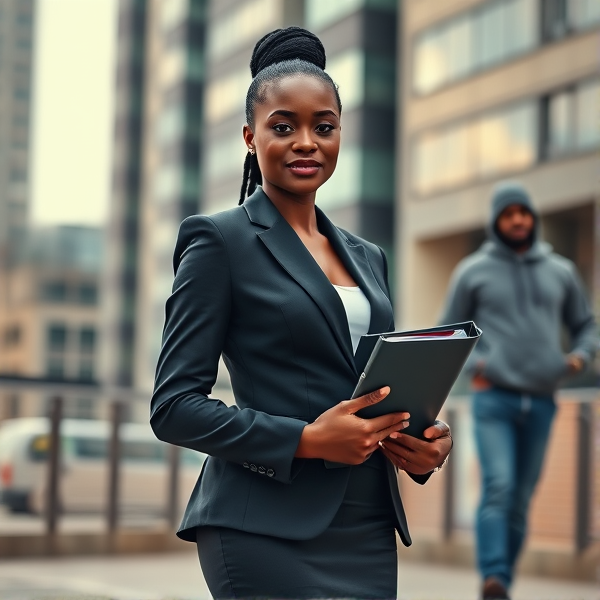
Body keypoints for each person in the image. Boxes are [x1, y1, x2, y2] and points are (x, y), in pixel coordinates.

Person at [151, 27, 452, 600]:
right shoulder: (219, 241)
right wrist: (307, 440)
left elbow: (372, 386)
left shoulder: (368, 257)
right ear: (249, 136)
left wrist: (423, 441)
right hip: (262, 524)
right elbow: (174, 408)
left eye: (324, 127)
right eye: (283, 127)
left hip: (366, 525)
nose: (306, 142)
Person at [439, 182, 597, 600]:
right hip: (494, 397)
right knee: (500, 485)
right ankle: (494, 576)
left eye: (522, 213)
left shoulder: (560, 270)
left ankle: (501, 580)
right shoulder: (472, 271)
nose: (517, 220)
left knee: (522, 497)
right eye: (508, 214)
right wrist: (478, 365)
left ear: (533, 218)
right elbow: (448, 332)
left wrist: (579, 357)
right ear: (496, 221)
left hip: (544, 399)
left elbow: (586, 324)